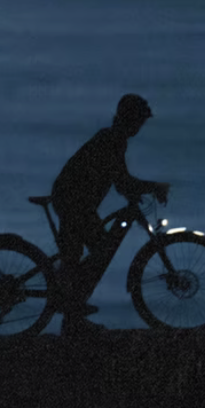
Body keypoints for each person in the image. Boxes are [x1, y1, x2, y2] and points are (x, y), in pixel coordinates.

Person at [50, 94, 169, 315]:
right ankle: (68, 300)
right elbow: (122, 181)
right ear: (130, 120)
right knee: (93, 252)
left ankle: (71, 304)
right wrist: (154, 187)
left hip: (76, 201)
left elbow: (120, 181)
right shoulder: (111, 140)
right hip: (73, 201)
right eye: (139, 121)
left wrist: (137, 191)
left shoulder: (114, 139)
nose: (140, 127)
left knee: (93, 252)